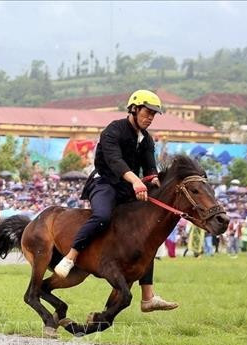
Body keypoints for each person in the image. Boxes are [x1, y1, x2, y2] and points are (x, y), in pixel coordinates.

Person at [53, 89, 178, 312]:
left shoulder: (147, 140)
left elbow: (150, 169)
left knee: (145, 236)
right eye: (147, 113)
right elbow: (115, 161)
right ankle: (71, 256)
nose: (150, 118)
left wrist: (156, 184)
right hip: (105, 183)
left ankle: (148, 297)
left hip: (128, 187)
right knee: (102, 216)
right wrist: (135, 181)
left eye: (153, 115)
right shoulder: (114, 130)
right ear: (134, 108)